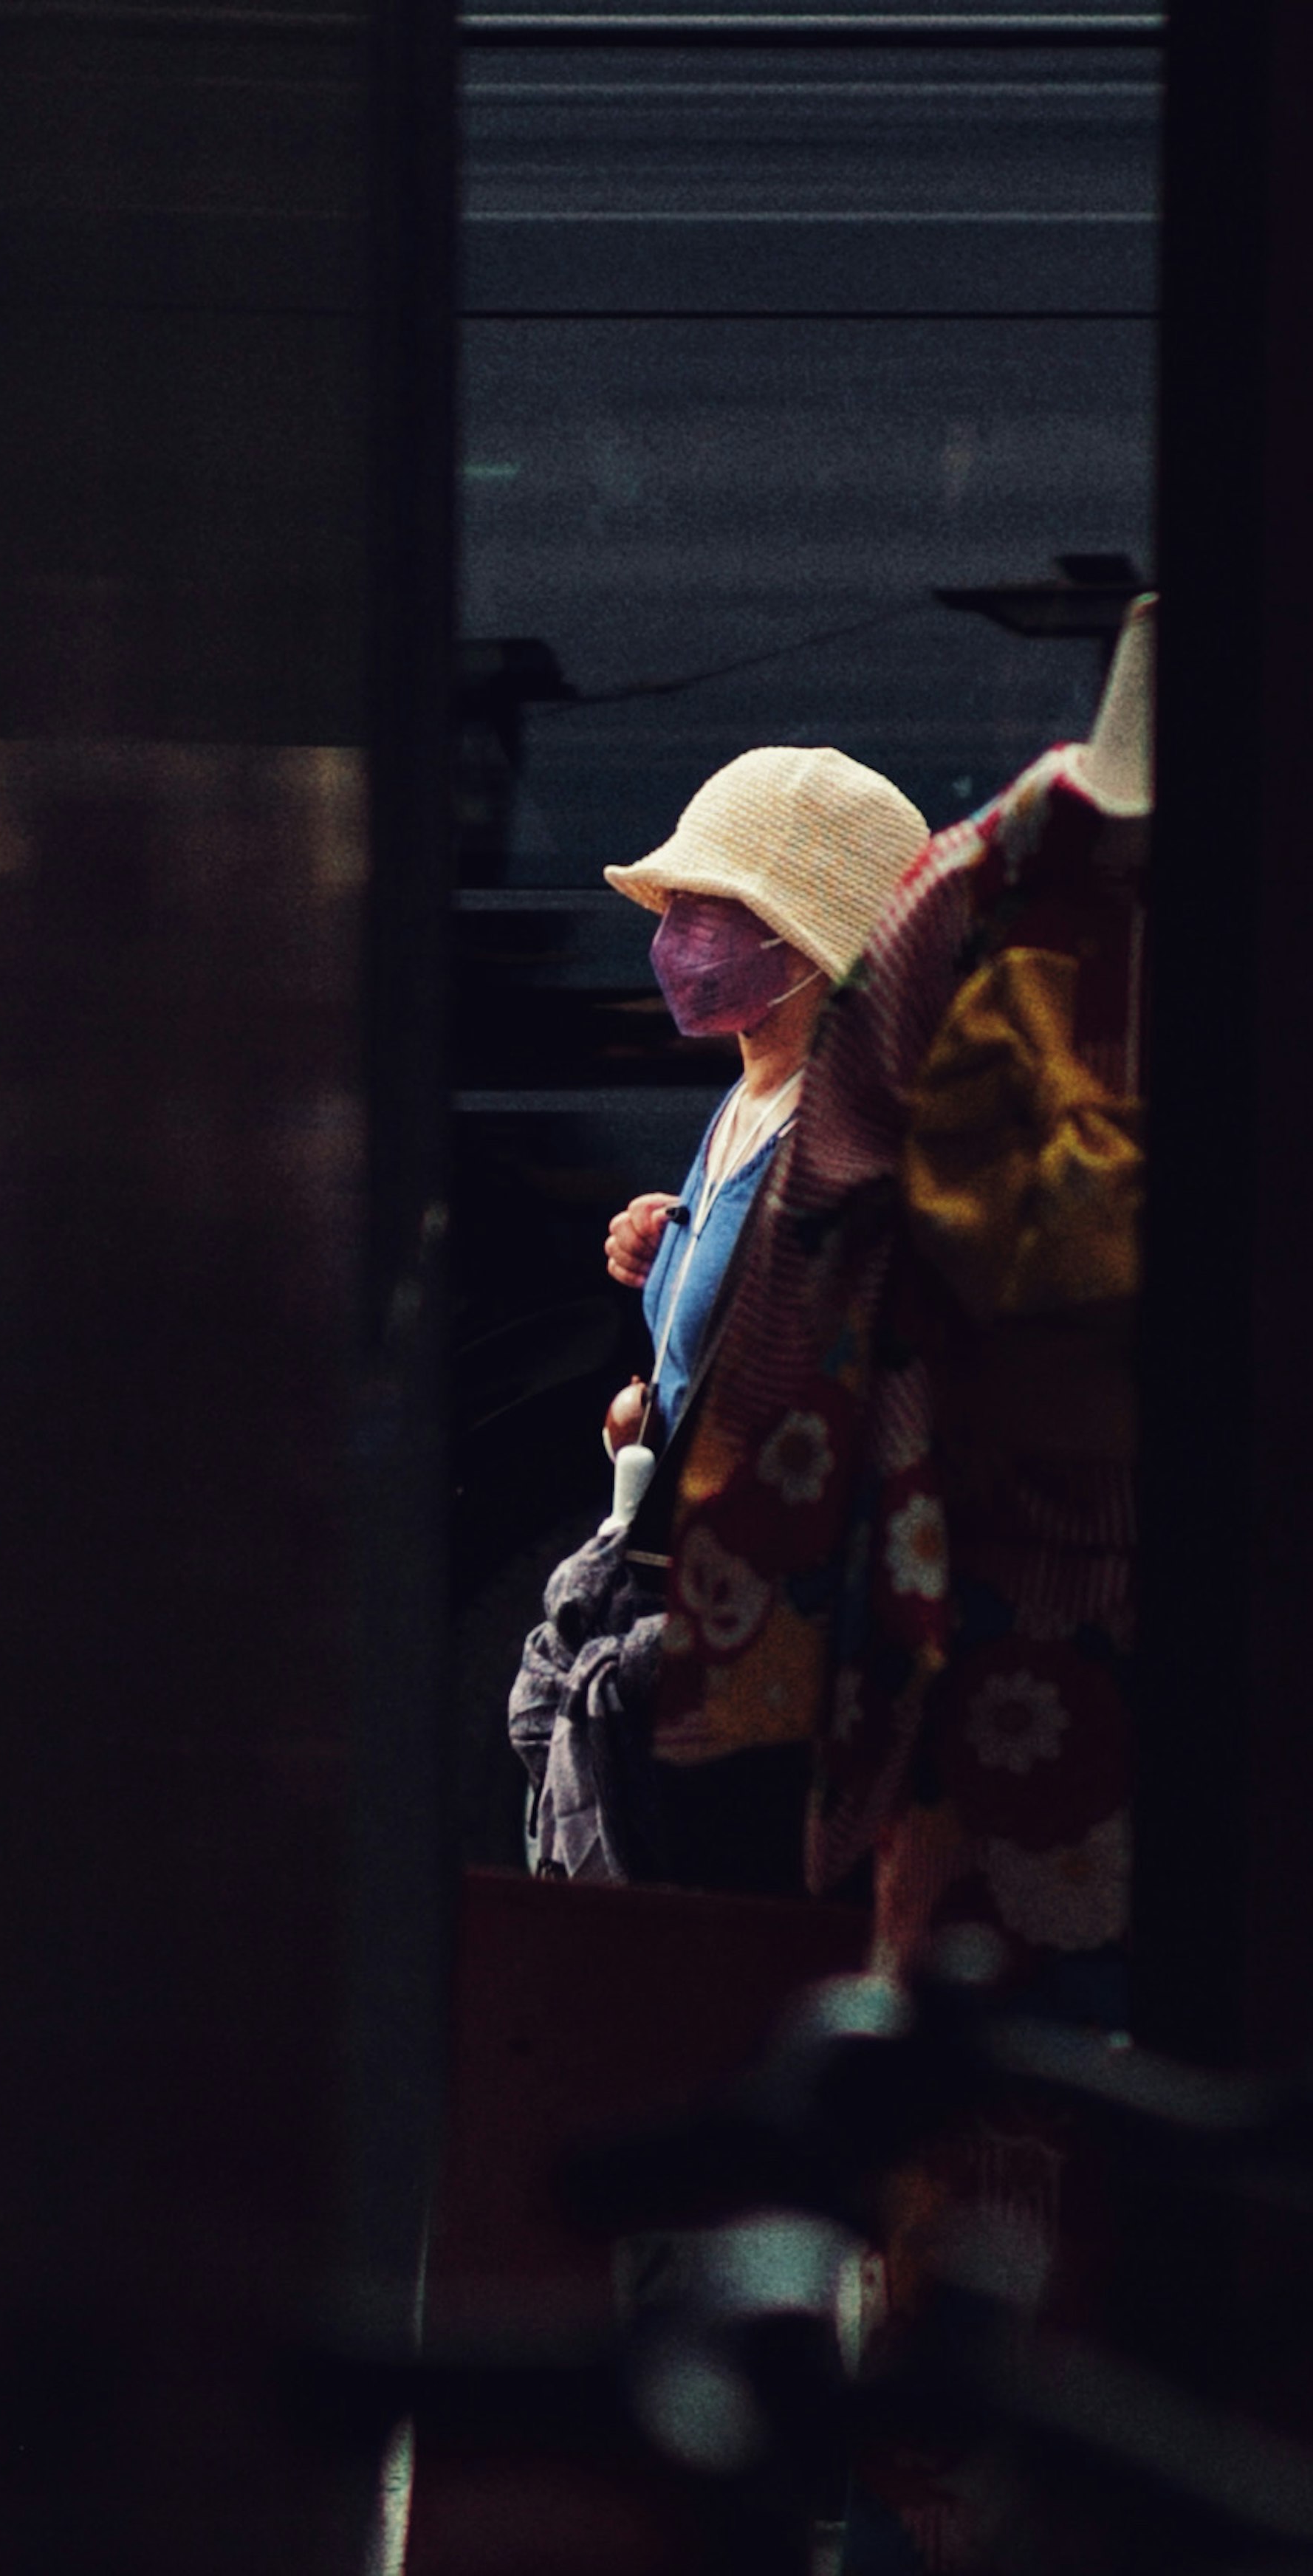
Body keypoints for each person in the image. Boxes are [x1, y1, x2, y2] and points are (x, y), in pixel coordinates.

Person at [510, 744, 930, 1885]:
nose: (679, 937)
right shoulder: (746, 1107)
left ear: (803, 944)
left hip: (758, 1647)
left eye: (716, 908)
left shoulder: (843, 1148)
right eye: (679, 905)